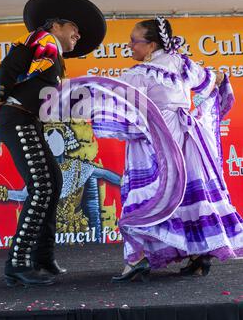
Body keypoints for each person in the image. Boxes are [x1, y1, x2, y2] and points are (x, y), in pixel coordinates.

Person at [66, 17, 243, 282]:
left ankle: (137, 259)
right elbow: (213, 80)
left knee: (149, 199)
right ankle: (198, 256)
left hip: (156, 142)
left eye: (134, 41)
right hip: (187, 140)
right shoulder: (183, 64)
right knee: (186, 198)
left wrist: (87, 101)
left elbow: (123, 113)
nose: (129, 46)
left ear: (150, 45)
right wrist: (218, 82)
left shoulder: (139, 75)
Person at [0, 0, 106, 286]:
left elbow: (49, 98)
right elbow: (12, 64)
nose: (78, 34)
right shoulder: (40, 41)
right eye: (74, 27)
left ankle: (43, 258)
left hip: (27, 119)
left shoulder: (50, 56)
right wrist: (0, 93)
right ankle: (18, 263)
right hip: (16, 117)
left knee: (54, 183)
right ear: (56, 25)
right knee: (42, 185)